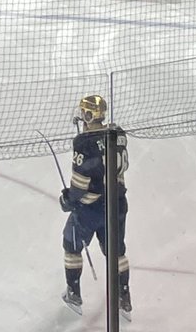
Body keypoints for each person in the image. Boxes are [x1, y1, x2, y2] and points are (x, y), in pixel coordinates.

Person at [60, 94, 131, 318]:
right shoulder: (118, 133)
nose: (82, 116)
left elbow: (80, 184)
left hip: (90, 208)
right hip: (117, 204)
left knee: (71, 244)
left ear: (89, 115)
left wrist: (68, 200)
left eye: (84, 112)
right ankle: (124, 298)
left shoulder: (83, 143)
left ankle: (74, 293)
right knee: (116, 251)